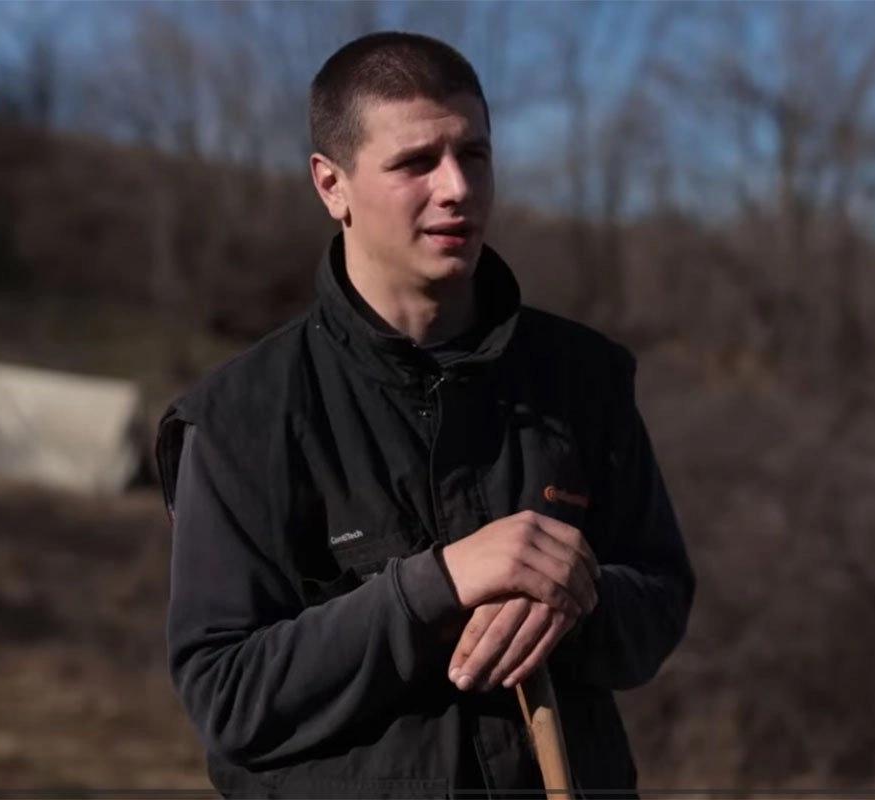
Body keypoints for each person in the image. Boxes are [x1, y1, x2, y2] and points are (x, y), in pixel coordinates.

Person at [154, 30, 694, 800]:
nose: (457, 187)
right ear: (332, 185)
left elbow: (661, 600)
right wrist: (434, 588)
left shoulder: (586, 378)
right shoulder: (241, 417)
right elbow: (229, 695)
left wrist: (578, 598)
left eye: (474, 154)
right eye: (416, 162)